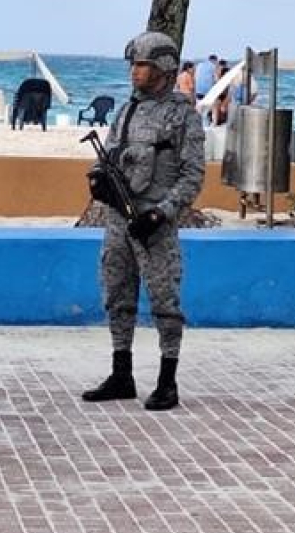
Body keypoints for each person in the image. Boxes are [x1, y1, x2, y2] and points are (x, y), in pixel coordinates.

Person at [82, 31, 205, 411]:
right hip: (120, 217)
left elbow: (192, 175)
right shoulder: (127, 109)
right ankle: (122, 373)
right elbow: (112, 153)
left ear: (164, 68)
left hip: (155, 220)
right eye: (134, 64)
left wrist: (161, 212)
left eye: (143, 65)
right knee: (116, 293)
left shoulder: (182, 114)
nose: (136, 72)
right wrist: (100, 179)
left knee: (165, 300)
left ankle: (168, 381)